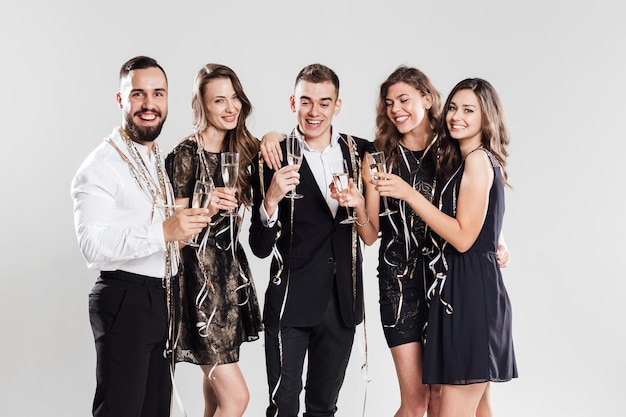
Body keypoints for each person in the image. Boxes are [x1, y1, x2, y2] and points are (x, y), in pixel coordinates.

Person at [71, 56, 212, 417]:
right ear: (121, 100)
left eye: (158, 94)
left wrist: (193, 223)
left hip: (163, 299)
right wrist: (164, 231)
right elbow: (92, 245)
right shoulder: (101, 166)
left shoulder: (153, 157)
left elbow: (161, 237)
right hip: (125, 298)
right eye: (138, 94)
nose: (149, 104)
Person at [372, 77, 518, 417]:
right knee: (479, 407)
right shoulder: (463, 160)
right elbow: (479, 219)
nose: (456, 116)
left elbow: (464, 237)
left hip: (470, 293)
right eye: (453, 107)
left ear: (487, 117)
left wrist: (409, 193)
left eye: (469, 110)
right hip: (460, 290)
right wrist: (496, 237)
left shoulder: (478, 160)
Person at [249, 63, 374, 417]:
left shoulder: (360, 152)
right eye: (306, 101)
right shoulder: (271, 157)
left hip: (342, 302)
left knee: (323, 407)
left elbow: (369, 235)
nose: (314, 112)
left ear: (338, 106)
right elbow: (259, 248)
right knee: (283, 404)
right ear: (292, 103)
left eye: (324, 102)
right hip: (289, 302)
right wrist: (270, 200)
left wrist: (359, 203)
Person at [164, 63, 263, 417]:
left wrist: (273, 137)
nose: (230, 107)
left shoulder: (241, 150)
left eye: (234, 97)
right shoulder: (185, 156)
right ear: (202, 106)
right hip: (198, 289)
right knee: (237, 399)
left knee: (217, 401)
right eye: (219, 100)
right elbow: (173, 237)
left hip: (228, 286)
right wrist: (205, 209)